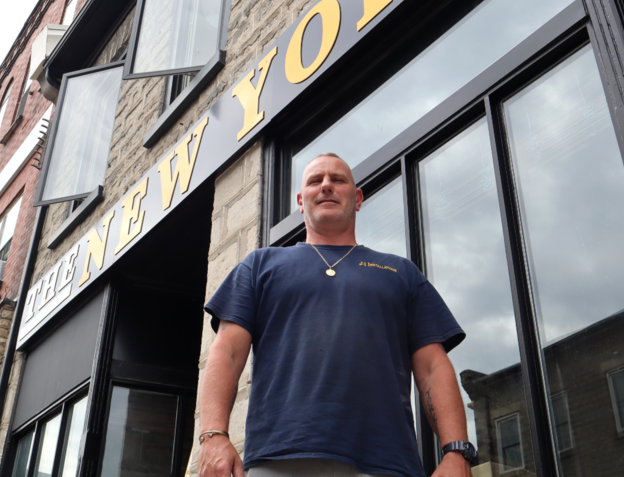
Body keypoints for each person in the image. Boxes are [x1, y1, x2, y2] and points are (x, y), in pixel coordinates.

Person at [199, 153, 474, 477]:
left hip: (386, 463)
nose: (326, 185)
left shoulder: (400, 273)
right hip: (279, 461)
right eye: (316, 181)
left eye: (338, 179)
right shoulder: (259, 266)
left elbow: (432, 366)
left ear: (357, 199)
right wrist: (212, 435)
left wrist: (456, 452)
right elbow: (227, 353)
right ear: (301, 201)